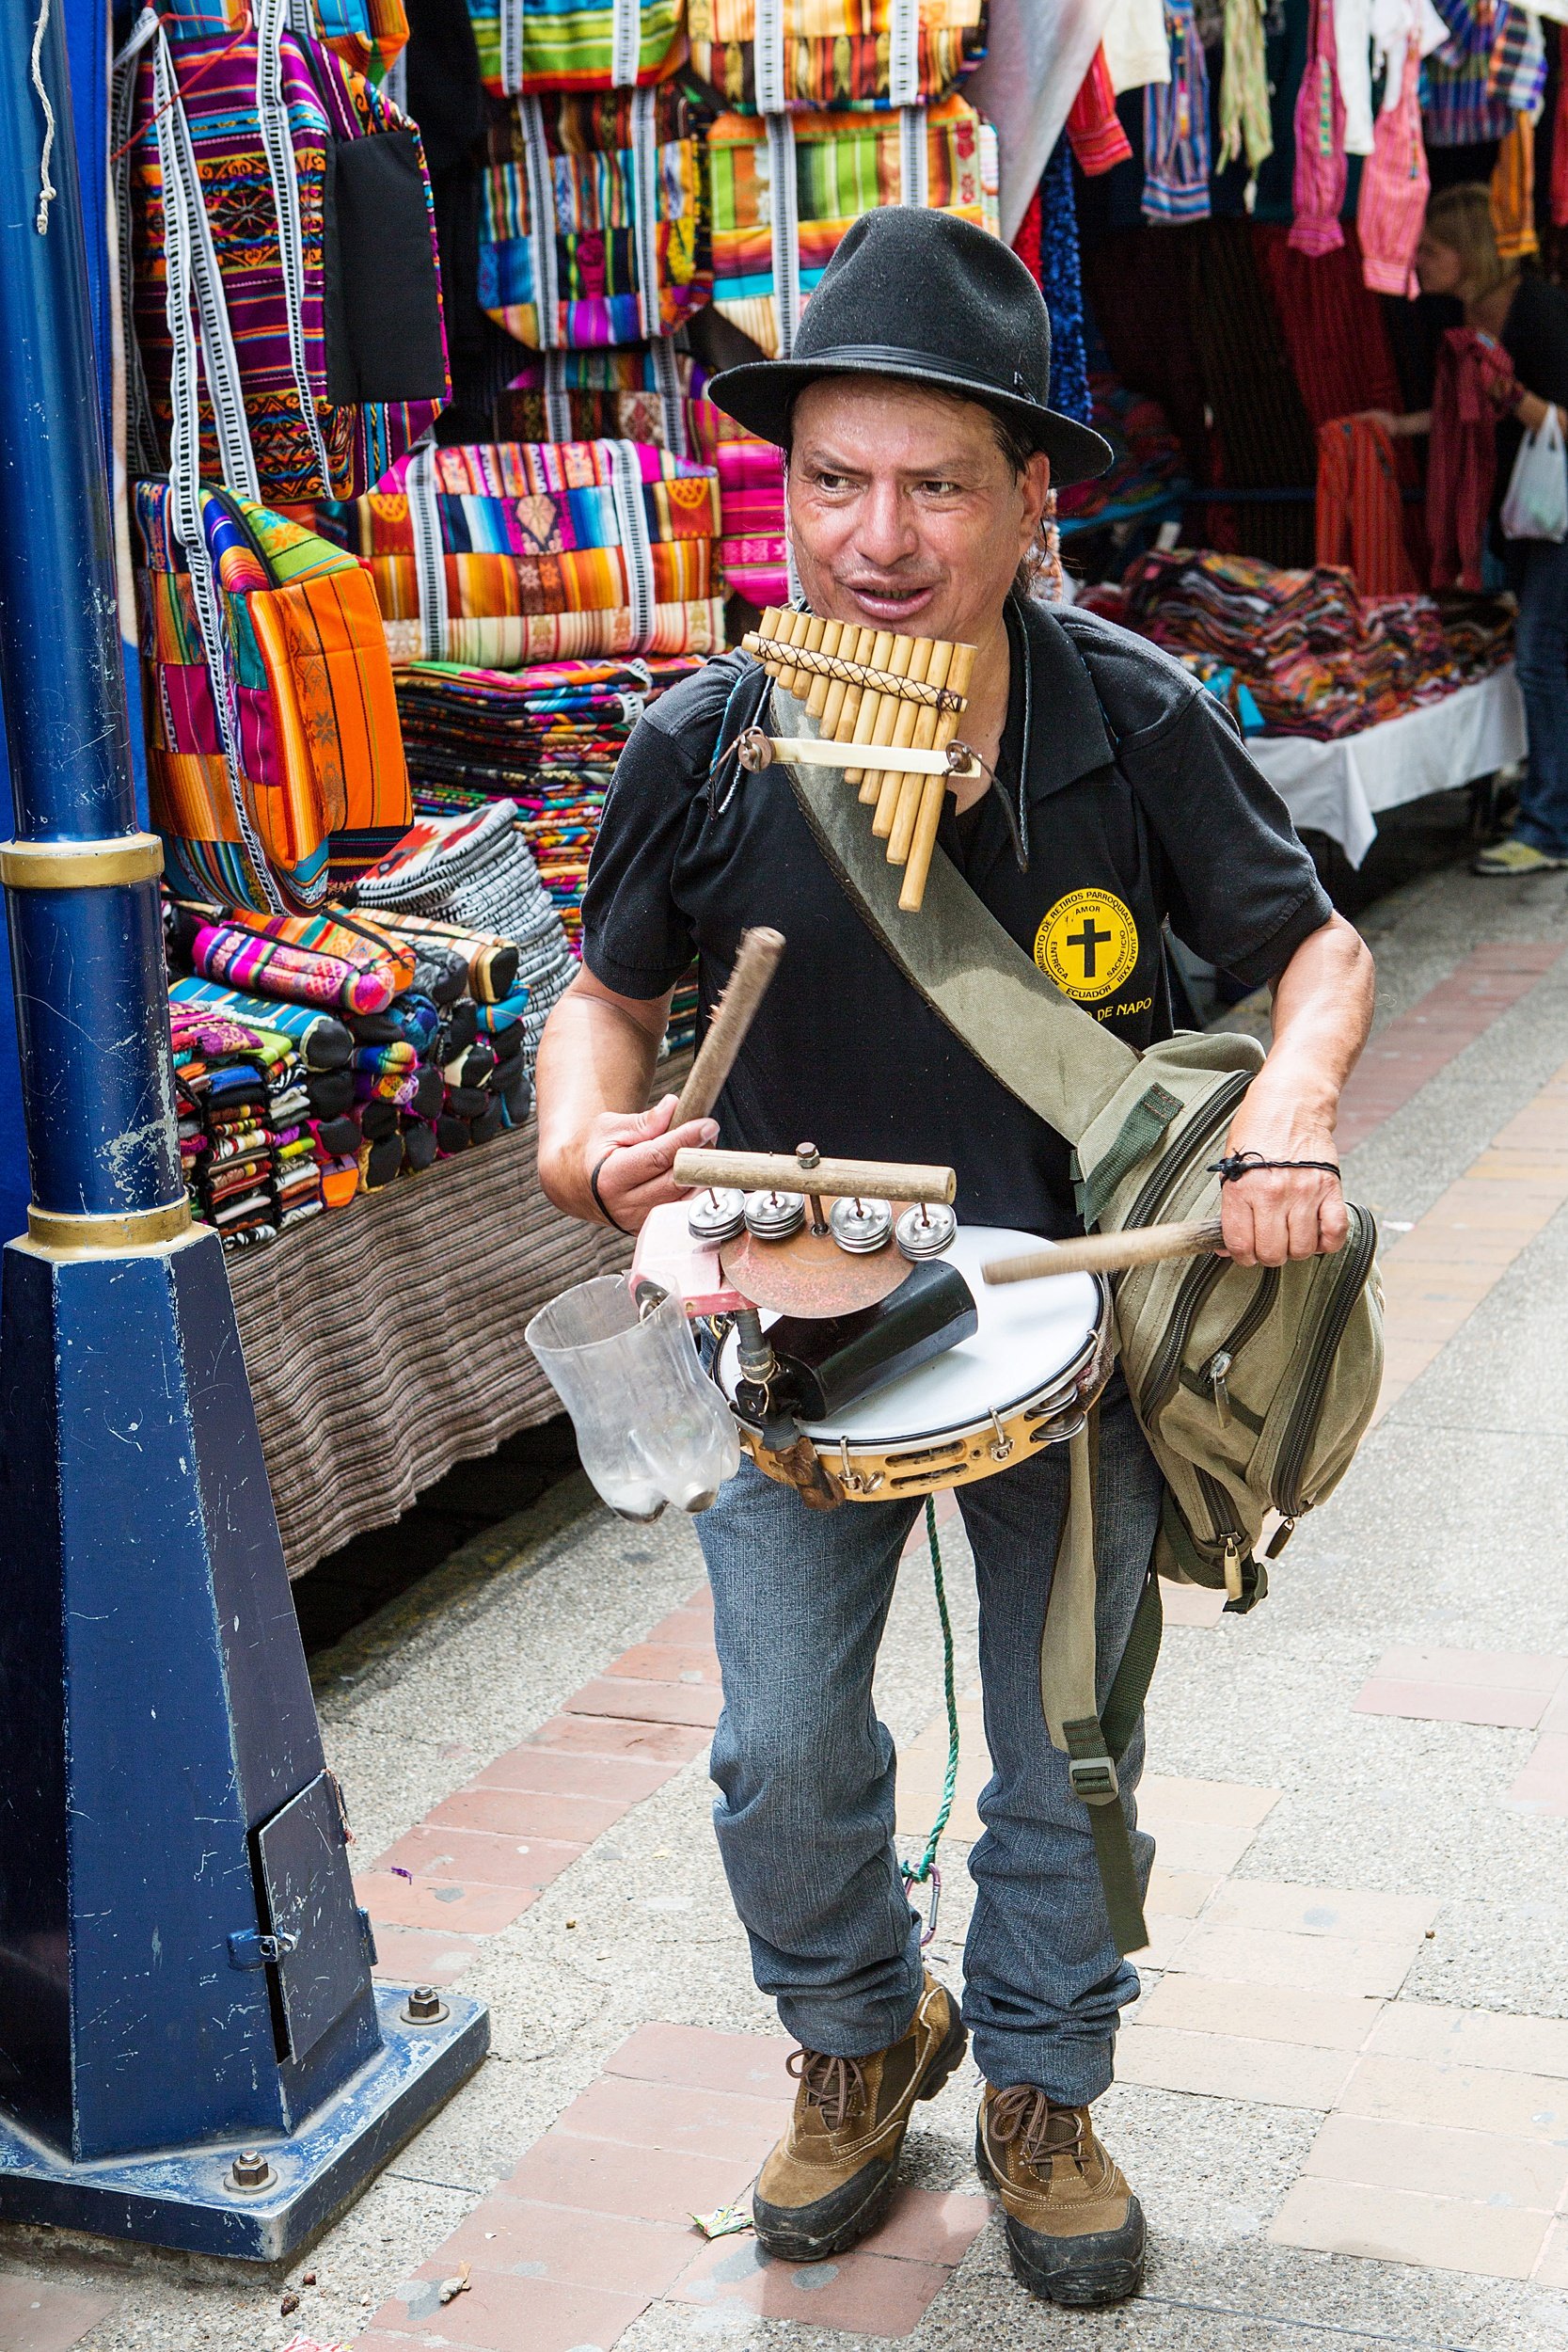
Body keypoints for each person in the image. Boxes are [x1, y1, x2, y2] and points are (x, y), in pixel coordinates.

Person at [535, 209, 1373, 2311]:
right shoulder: (705, 738)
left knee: (1061, 1736)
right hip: (782, 1331)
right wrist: (583, 1143)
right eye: (829, 479)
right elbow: (598, 996)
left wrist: (1284, 1111)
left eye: (932, 485)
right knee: (779, 1749)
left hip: (1061, 1326)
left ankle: (1041, 2075)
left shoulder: (1125, 713)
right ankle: (850, 2038)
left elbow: (1313, 951)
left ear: (1029, 505)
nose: (872, 539)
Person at [1366, 184, 1568, 878]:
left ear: (1469, 251)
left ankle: (1548, 829)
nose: (1417, 259)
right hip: (1521, 515)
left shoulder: (1538, 312)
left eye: (1430, 248)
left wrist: (1511, 395)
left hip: (1555, 515)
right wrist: (1400, 427)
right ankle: (1545, 806)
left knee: (1541, 660)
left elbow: (1557, 420)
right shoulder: (1468, 321)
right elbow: (1463, 414)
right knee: (1539, 660)